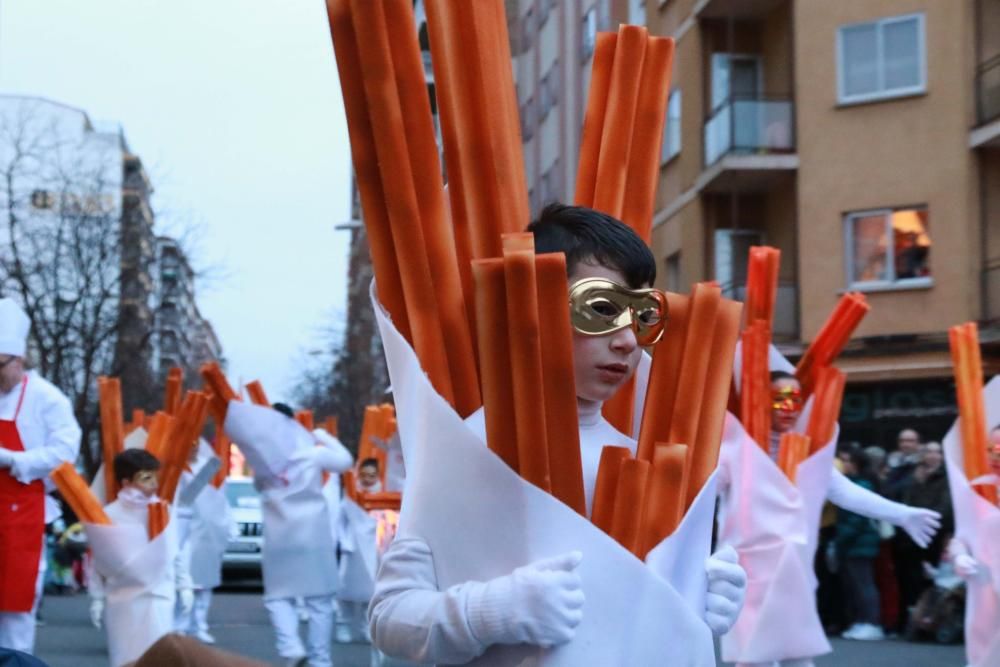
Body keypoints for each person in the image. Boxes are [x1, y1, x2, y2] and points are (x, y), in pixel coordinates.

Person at [369, 204, 748, 664]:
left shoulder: (644, 462)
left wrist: (695, 600)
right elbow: (390, 616)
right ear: (535, 306)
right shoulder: (467, 450)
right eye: (602, 309)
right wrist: (491, 611)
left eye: (641, 316)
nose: (627, 340)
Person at [717, 369, 942, 666]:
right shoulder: (733, 449)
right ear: (760, 400)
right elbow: (699, 495)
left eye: (794, 399)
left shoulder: (806, 450)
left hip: (794, 572)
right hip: (749, 573)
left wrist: (902, 514)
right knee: (752, 659)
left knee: (797, 656)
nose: (788, 408)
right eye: (778, 399)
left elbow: (843, 491)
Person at [226, 401, 352, 667]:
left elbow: (259, 487)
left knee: (278, 596)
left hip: (280, 535)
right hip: (312, 534)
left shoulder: (262, 459)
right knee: (319, 600)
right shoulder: (312, 453)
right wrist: (323, 436)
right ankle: (320, 659)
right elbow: (345, 461)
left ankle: (290, 646)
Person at [0, 298, 82, 654]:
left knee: (16, 610)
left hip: (22, 517)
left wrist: (11, 460)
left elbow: (65, 455)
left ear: (18, 360)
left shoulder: (49, 400)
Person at [87, 449, 193, 667]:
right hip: (123, 600)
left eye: (155, 476)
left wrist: (185, 585)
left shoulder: (163, 511)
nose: (154, 483)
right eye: (146, 478)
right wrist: (96, 597)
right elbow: (98, 560)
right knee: (126, 657)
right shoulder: (108, 515)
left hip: (159, 596)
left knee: (160, 656)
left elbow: (175, 551)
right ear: (126, 481)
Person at [174, 441, 232, 644]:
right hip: (183, 528)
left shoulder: (211, 467)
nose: (193, 447)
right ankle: (178, 626)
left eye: (196, 444)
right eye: (190, 444)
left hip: (208, 530)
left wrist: (227, 524)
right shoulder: (174, 467)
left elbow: (222, 498)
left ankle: (199, 625)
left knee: (204, 582)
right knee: (182, 579)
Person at [835, 448, 884, 641]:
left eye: (847, 460)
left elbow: (858, 518)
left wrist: (841, 539)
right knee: (855, 585)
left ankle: (872, 623)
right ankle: (862, 621)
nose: (843, 464)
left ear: (855, 464)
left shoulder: (862, 484)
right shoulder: (851, 483)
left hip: (860, 542)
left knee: (864, 584)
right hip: (852, 542)